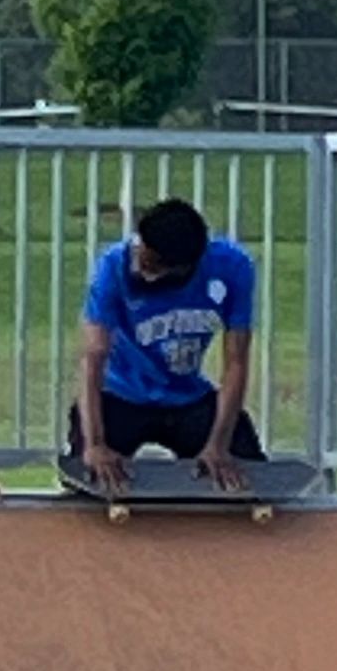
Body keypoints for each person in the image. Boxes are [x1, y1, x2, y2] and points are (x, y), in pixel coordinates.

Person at [71, 195, 265, 494]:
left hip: (187, 397)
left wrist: (218, 445)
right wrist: (95, 443)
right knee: (87, 474)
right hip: (120, 395)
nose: (141, 269)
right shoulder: (113, 266)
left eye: (152, 265)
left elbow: (236, 360)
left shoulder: (233, 266)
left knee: (246, 468)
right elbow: (93, 357)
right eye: (140, 255)